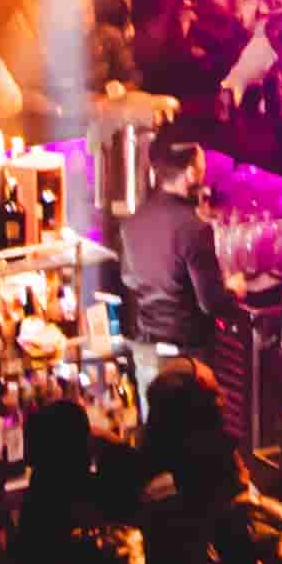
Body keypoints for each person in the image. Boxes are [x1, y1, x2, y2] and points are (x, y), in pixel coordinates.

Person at [104, 143, 236, 405]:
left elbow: (129, 278)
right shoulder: (194, 228)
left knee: (155, 424)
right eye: (202, 167)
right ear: (190, 173)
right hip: (187, 358)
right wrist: (234, 288)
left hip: (147, 351)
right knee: (192, 427)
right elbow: (211, 303)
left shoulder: (134, 221)